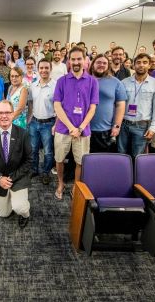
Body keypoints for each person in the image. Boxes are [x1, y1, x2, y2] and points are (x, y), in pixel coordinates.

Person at [53, 47, 99, 200]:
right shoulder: (62, 81)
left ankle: (75, 185)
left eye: (79, 59)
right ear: (68, 61)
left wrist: (79, 128)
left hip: (83, 130)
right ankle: (60, 183)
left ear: (85, 60)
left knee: (80, 161)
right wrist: (71, 127)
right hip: (62, 128)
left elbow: (92, 108)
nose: (76, 62)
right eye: (73, 59)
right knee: (59, 159)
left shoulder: (93, 82)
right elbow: (57, 106)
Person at [0, 100, 32, 229]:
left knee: (20, 208)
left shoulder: (23, 133)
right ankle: (9, 197)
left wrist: (12, 178)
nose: (4, 116)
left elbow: (29, 160)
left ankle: (25, 214)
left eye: (7, 112)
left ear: (13, 114)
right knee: (4, 214)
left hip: (18, 177)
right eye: (0, 113)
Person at [118, 54, 155, 158]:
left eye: (144, 62)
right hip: (123, 125)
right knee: (121, 155)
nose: (141, 65)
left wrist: (153, 128)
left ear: (150, 65)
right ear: (133, 65)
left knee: (137, 156)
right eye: (138, 62)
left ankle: (135, 175)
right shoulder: (123, 83)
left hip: (142, 126)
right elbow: (118, 105)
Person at [88, 54, 127, 153]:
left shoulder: (116, 82)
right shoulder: (84, 80)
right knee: (83, 161)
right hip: (83, 129)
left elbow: (120, 105)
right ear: (92, 65)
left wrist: (117, 126)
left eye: (104, 63)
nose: (101, 65)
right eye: (98, 62)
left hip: (104, 130)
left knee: (101, 160)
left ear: (108, 66)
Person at [28, 59, 56, 185]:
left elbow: (61, 106)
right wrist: (29, 119)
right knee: (33, 149)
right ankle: (34, 169)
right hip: (34, 122)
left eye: (46, 68)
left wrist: (56, 124)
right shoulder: (33, 85)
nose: (44, 70)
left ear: (51, 69)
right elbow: (30, 103)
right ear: (38, 69)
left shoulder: (56, 86)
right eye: (41, 68)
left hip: (49, 123)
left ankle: (45, 172)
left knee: (48, 151)